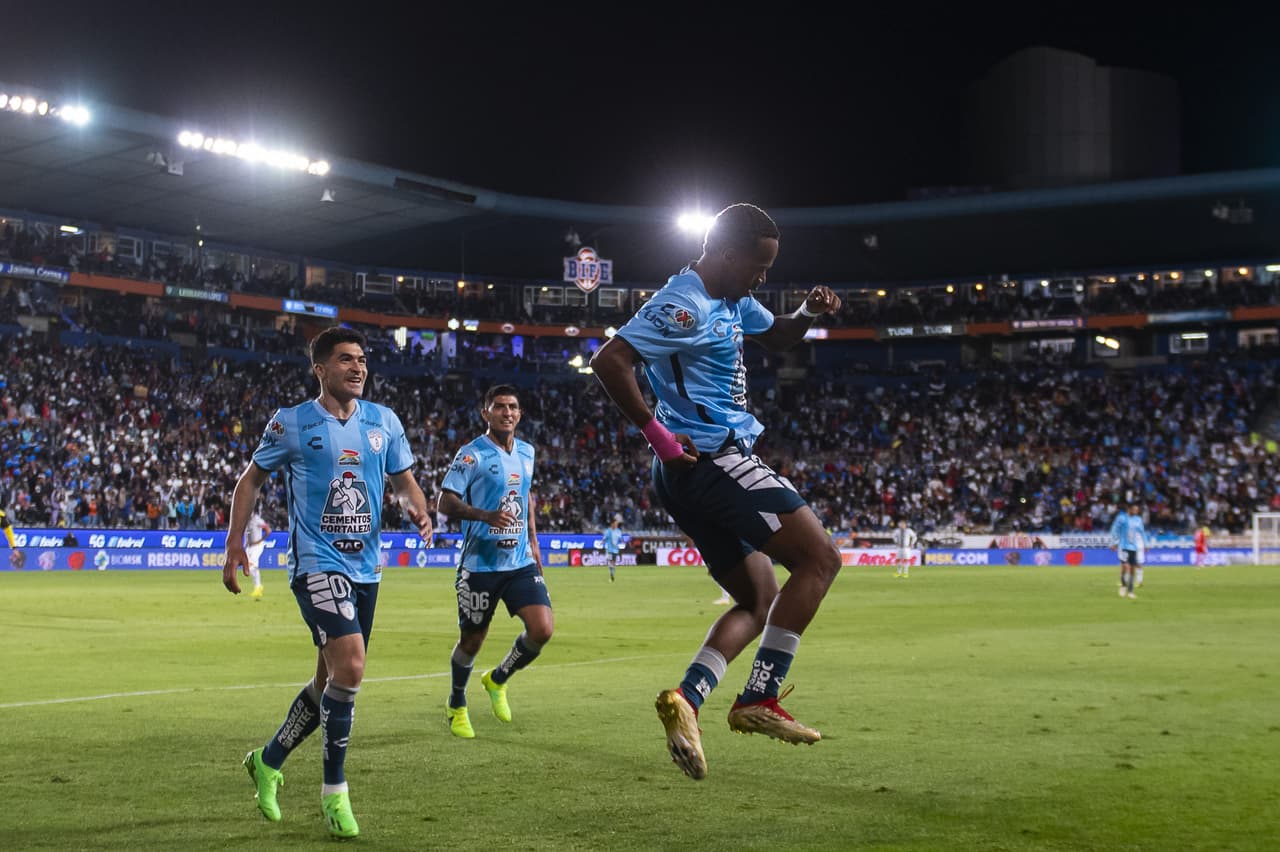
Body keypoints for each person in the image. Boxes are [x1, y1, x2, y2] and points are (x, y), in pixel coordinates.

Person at [590, 202, 843, 781]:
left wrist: (806, 310)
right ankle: (759, 697)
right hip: (711, 459)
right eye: (759, 264)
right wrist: (658, 434)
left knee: (758, 600)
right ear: (727, 254)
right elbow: (610, 361)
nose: (764, 276)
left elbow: (778, 336)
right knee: (820, 559)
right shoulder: (684, 304)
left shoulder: (730, 297)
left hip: (694, 469)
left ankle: (688, 700)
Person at [221, 327, 432, 840]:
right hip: (316, 563)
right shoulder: (291, 423)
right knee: (353, 666)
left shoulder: (385, 421)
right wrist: (232, 548)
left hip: (367, 569)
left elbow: (403, 481)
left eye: (362, 359)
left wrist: (417, 506)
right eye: (345, 360)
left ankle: (267, 761)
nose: (358, 368)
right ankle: (334, 792)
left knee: (329, 682)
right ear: (320, 369)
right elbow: (250, 479)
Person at [438, 384, 550, 739]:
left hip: (518, 562)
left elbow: (526, 497)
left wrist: (534, 545)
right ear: (485, 413)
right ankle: (457, 703)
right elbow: (445, 501)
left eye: (512, 407)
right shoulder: (471, 455)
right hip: (480, 565)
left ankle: (497, 678)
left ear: (520, 413)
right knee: (472, 641)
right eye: (499, 406)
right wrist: (484, 516)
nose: (507, 412)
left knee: (542, 629)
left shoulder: (528, 452)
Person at [1110, 503, 1145, 599]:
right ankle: (1123, 585)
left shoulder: (1138, 520)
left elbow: (1142, 532)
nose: (1136, 511)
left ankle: (1130, 591)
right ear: (1129, 509)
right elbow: (1114, 530)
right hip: (1123, 546)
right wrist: (1113, 542)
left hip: (1133, 547)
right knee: (1125, 567)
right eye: (1134, 509)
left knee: (1132, 569)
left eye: (1137, 510)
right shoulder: (1121, 518)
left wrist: (1146, 544)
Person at [244, 507, 272, 598]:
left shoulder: (256, 519)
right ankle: (258, 587)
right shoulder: (246, 520)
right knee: (251, 567)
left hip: (257, 546)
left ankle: (258, 587)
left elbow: (268, 530)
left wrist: (260, 540)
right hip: (249, 547)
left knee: (251, 566)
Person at [601, 515, 624, 582]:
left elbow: (620, 538)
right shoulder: (608, 531)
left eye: (617, 524)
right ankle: (611, 576)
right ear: (612, 524)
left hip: (616, 550)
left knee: (613, 563)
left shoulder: (618, 531)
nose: (616, 525)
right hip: (610, 549)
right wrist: (602, 542)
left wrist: (623, 541)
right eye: (615, 524)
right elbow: (605, 538)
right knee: (611, 562)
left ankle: (612, 575)